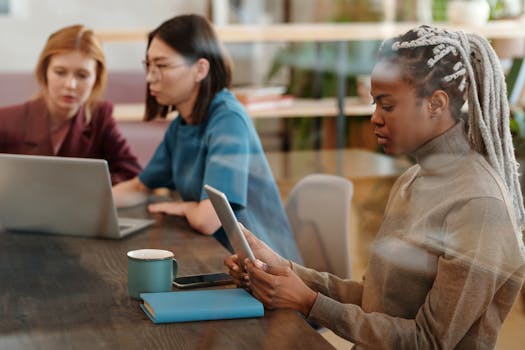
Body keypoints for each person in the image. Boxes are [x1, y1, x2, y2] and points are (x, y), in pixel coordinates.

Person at [225, 25, 525, 349]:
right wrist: (286, 270)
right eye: (374, 104)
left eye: (388, 105)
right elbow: (374, 300)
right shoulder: (412, 180)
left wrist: (310, 303)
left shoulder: (479, 205)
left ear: (436, 103)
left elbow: (429, 342)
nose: (375, 118)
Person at [112, 14, 302, 263]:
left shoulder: (228, 119)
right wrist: (89, 206)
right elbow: (140, 187)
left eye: (162, 65)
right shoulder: (182, 125)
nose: (150, 77)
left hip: (265, 270)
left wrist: (184, 207)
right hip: (219, 258)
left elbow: (207, 220)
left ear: (200, 69)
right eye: (148, 65)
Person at [0, 24, 141, 185]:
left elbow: (133, 176)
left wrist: (92, 191)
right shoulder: (5, 120)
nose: (71, 85)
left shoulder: (100, 117)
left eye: (82, 75)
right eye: (60, 72)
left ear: (96, 79)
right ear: (44, 72)